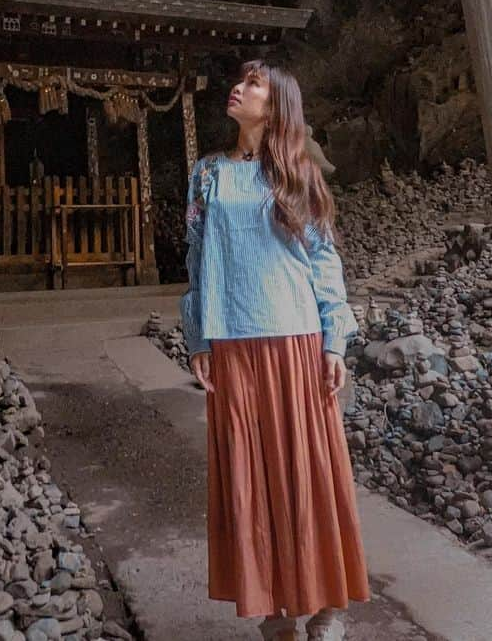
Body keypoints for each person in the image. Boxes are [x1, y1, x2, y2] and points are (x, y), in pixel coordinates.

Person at [180, 57, 371, 640]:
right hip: (233, 342)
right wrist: (198, 334)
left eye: (254, 83)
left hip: (295, 338)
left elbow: (323, 260)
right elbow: (195, 258)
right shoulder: (207, 174)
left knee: (308, 469)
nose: (238, 88)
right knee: (250, 472)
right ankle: (275, 610)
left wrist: (334, 341)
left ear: (278, 102)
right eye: (239, 80)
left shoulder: (299, 174)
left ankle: (328, 606)